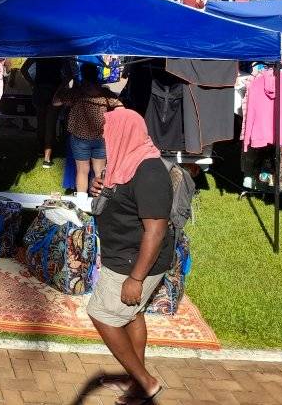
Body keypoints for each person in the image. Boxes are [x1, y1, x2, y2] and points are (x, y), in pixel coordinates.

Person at [88, 107, 172, 405]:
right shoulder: (125, 160)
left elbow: (156, 231)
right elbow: (117, 196)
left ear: (124, 132)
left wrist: (136, 278)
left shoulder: (149, 171)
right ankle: (136, 381)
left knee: (102, 315)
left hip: (135, 261)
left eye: (109, 133)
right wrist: (98, 185)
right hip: (120, 252)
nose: (105, 139)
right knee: (130, 315)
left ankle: (146, 382)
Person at [53, 63, 122, 195]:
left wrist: (65, 82)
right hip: (101, 138)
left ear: (82, 75)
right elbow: (121, 108)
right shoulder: (105, 93)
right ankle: (99, 201)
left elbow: (55, 101)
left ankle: (81, 202)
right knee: (100, 171)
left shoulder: (76, 93)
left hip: (79, 139)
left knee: (82, 170)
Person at [21, 58, 67, 168]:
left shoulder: (39, 52)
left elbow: (23, 69)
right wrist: (61, 87)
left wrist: (33, 84)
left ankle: (40, 150)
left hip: (39, 90)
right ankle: (47, 159)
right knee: (50, 125)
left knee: (41, 123)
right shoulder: (60, 53)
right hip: (55, 90)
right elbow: (69, 74)